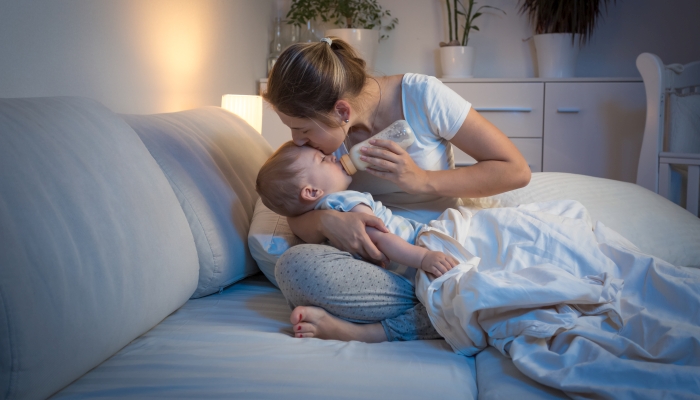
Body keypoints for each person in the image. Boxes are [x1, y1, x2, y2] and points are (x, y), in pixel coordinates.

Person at [262, 36, 531, 343]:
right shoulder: (316, 152)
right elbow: (296, 213)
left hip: (435, 248)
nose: (296, 140)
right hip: (379, 265)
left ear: (341, 111)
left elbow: (516, 170)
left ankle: (439, 303)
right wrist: (329, 221)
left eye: (303, 129)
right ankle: (454, 302)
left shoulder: (422, 96)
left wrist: (422, 180)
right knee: (294, 267)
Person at [256, 141, 459, 279]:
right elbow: (379, 237)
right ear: (311, 192)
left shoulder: (319, 215)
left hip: (403, 265)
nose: (333, 158)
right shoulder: (344, 200)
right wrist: (423, 258)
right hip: (417, 245)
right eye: (323, 160)